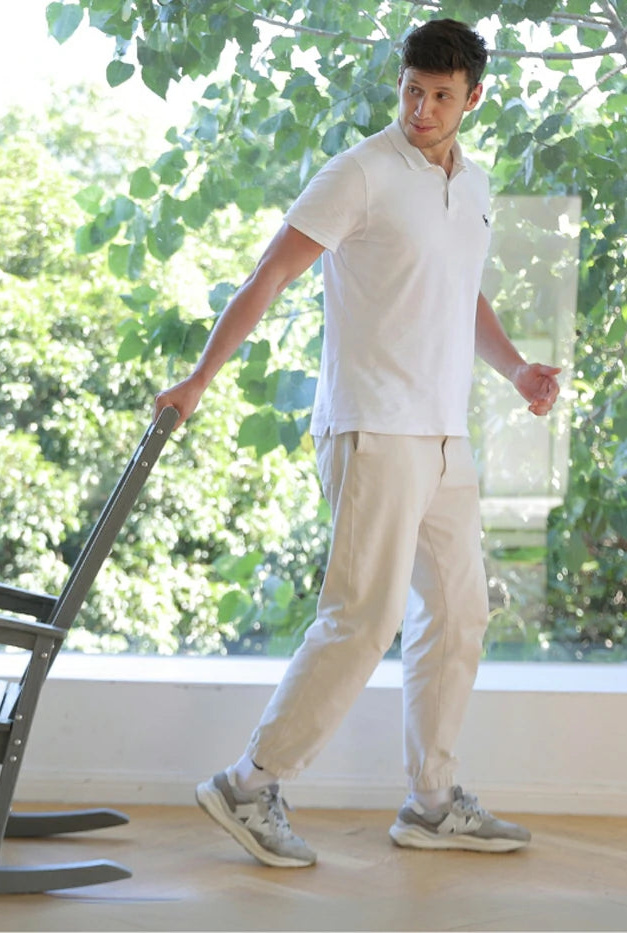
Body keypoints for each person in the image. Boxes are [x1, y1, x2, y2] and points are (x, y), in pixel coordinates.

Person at [152, 18, 561, 866]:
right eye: (412, 89)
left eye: (441, 95)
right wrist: (199, 378)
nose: (421, 109)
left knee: (460, 614)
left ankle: (432, 802)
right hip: (372, 426)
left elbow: (461, 293)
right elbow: (270, 273)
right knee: (364, 617)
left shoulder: (474, 185)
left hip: (444, 436)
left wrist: (517, 369)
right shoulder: (362, 173)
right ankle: (249, 783)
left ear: (474, 98)